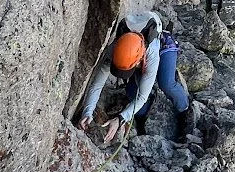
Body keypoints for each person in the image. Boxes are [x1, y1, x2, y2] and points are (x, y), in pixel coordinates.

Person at [77, 9, 192, 143]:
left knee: (166, 83)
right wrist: (87, 112)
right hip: (135, 57)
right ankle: (144, 115)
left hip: (163, 46)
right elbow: (97, 84)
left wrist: (120, 119)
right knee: (132, 92)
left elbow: (142, 96)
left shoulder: (151, 55)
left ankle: (185, 110)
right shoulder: (114, 51)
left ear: (138, 61)